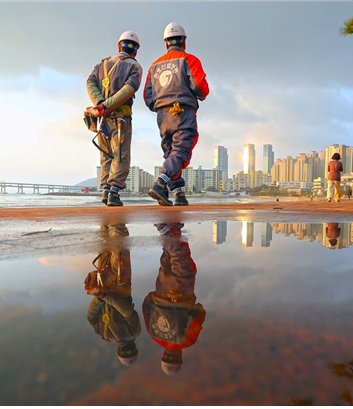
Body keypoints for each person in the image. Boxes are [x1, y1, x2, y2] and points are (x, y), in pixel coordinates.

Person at [144, 22, 209, 206]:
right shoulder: (190, 60)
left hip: (163, 115)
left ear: (166, 43)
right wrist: (201, 96)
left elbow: (147, 96)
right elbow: (199, 86)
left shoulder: (154, 65)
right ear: (183, 41)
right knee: (181, 149)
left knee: (171, 152)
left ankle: (178, 193)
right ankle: (161, 183)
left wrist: (159, 107)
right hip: (183, 111)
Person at [86, 31, 143, 207]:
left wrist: (100, 104)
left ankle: (105, 190)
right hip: (121, 118)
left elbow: (90, 83)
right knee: (120, 156)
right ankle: (113, 193)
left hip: (102, 120)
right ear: (135, 50)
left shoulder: (100, 65)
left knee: (105, 155)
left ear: (119, 46)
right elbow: (128, 90)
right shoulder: (135, 67)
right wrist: (107, 105)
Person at [142, 223, 206, 375]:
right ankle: (173, 230)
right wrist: (157, 296)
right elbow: (146, 308)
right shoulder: (154, 335)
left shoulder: (187, 341)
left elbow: (199, 315)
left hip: (183, 294)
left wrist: (192, 306)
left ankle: (167, 232)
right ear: (163, 355)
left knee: (181, 260)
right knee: (167, 259)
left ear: (180, 357)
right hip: (161, 291)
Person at [85, 224, 141, 366]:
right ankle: (106, 211)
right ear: (118, 350)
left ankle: (114, 207)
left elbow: (128, 312)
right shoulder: (103, 334)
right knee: (105, 243)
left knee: (119, 243)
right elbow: (90, 317)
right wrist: (100, 296)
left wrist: (106, 297)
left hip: (121, 286)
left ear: (134, 348)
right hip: (101, 284)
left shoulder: (133, 333)